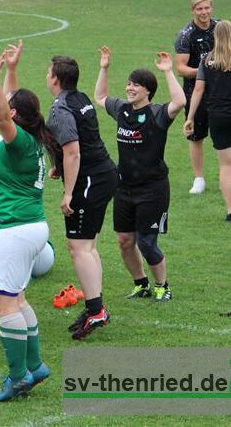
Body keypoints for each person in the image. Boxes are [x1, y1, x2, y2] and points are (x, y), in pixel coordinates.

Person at [0, 43, 58, 401]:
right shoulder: (28, 138)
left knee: (4, 304)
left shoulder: (17, 141)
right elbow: (11, 107)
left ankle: (18, 377)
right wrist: (12, 70)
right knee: (18, 297)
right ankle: (35, 364)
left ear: (15, 114)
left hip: (14, 230)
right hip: (29, 227)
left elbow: (0, 116)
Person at [95, 47, 185, 303]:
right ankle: (141, 283)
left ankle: (162, 284)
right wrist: (104, 67)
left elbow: (179, 102)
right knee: (124, 240)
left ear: (148, 90)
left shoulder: (157, 114)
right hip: (124, 188)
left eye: (136, 85)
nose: (130, 88)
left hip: (153, 189)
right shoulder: (122, 109)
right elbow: (100, 96)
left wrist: (168, 72)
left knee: (146, 243)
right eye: (128, 84)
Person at [46, 53, 117, 340]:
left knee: (79, 248)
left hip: (89, 181)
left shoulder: (61, 108)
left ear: (55, 79)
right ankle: (94, 307)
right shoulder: (81, 97)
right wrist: (59, 168)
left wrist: (67, 193)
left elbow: (73, 150)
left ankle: (96, 310)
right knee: (87, 246)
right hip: (103, 174)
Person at [184, 20, 231, 221]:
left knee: (226, 166)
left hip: (217, 116)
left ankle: (230, 210)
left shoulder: (206, 61)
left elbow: (198, 89)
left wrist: (190, 117)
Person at [175, 0, 217, 195]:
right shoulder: (186, 35)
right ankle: (199, 178)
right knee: (196, 136)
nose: (204, 12)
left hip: (222, 92)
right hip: (196, 93)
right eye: (200, 8)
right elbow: (180, 68)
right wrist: (204, 71)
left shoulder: (221, 29)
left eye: (207, 7)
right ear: (193, 10)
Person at [0, 177, 55, 278]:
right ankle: (4, 269)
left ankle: (8, 272)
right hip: (40, 254)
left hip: (39, 259)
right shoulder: (0, 207)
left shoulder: (6, 206)